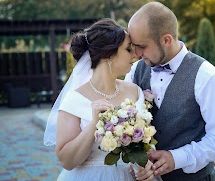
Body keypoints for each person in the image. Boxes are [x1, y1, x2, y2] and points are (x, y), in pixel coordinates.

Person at [124, 2, 215, 181]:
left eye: (142, 46)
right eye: (133, 46)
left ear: (166, 40)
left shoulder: (207, 77)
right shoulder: (135, 71)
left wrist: (177, 158)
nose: (136, 54)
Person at [43, 18, 155, 181]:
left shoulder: (135, 92)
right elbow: (66, 161)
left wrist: (146, 165)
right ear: (109, 54)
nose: (135, 54)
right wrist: (94, 124)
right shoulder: (74, 99)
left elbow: (145, 144)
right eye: (128, 49)